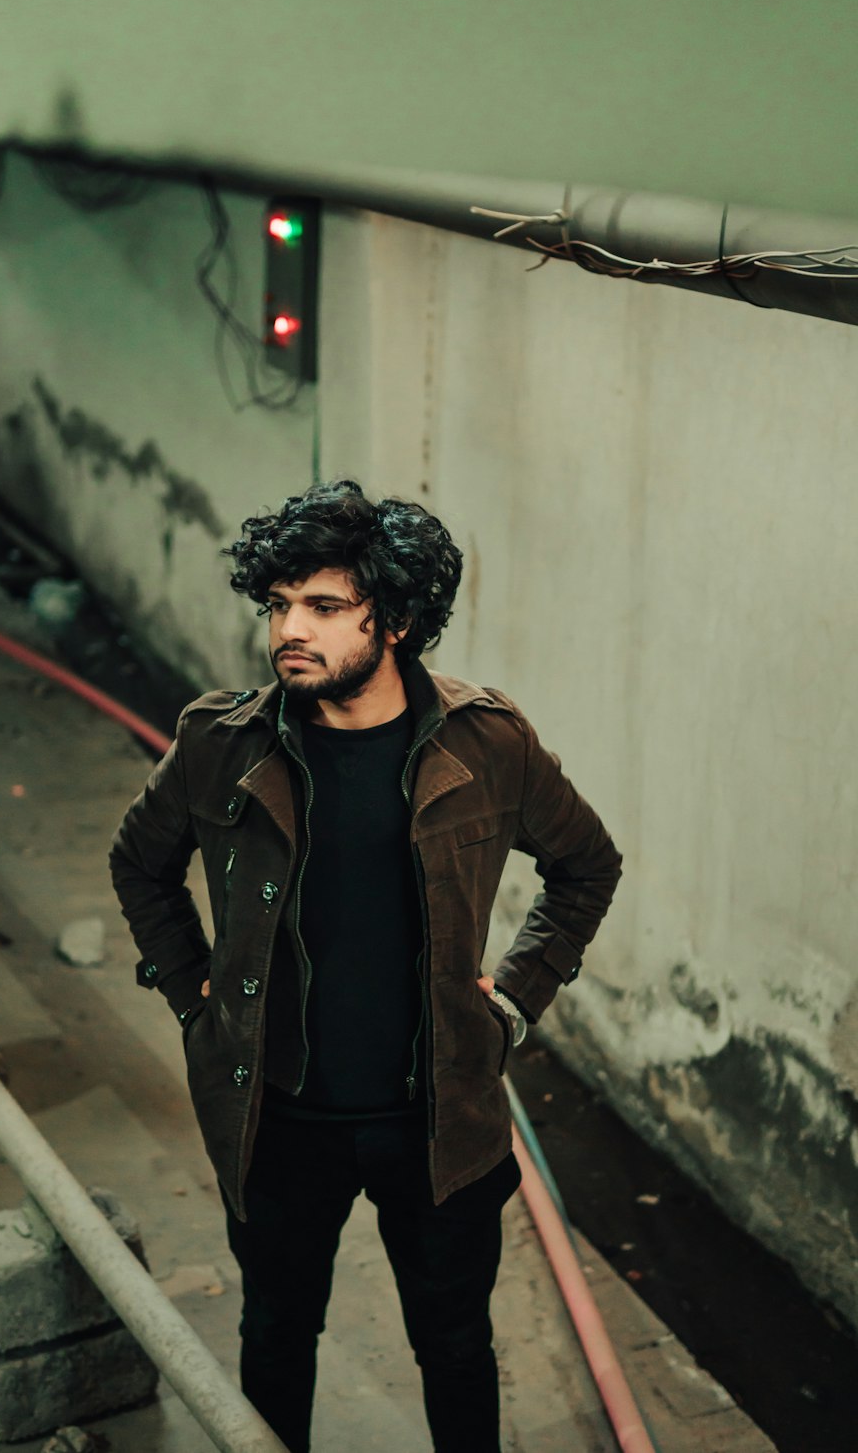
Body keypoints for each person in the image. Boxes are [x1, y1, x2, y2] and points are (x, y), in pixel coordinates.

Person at [109, 478, 622, 1452]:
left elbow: (585, 866)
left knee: (456, 1347)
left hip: (435, 1123)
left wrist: (516, 997)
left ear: (393, 621)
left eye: (321, 608)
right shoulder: (220, 744)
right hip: (277, 1121)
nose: (286, 630)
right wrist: (192, 991)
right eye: (278, 605)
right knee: (275, 1341)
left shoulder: (487, 745)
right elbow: (139, 863)